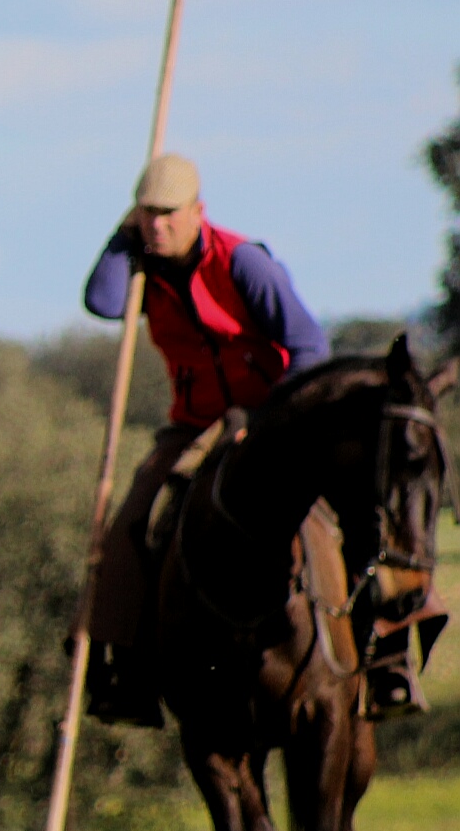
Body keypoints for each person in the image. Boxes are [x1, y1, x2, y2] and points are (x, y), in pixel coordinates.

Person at [81, 152, 343, 724]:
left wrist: (267, 418)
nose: (158, 225)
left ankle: (381, 650)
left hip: (267, 418)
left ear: (199, 210)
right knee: (135, 521)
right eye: (147, 214)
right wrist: (122, 239)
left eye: (169, 214)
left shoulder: (244, 262)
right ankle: (125, 669)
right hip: (192, 426)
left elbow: (309, 347)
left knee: (349, 508)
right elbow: (102, 302)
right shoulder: (143, 267)